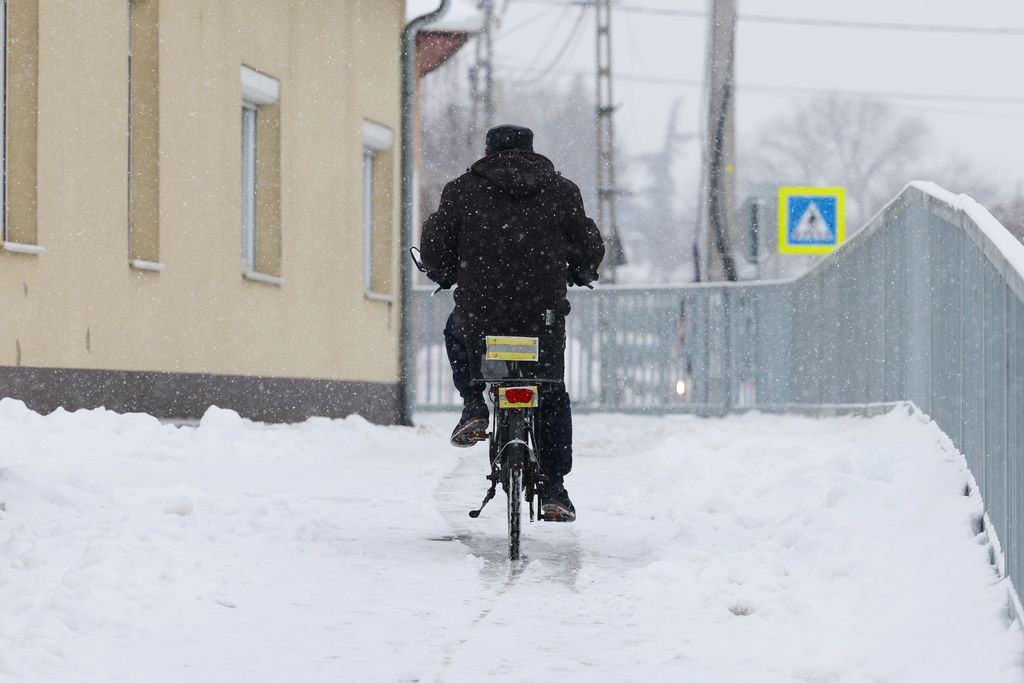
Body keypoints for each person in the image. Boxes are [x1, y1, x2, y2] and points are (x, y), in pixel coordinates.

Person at [418, 124, 604, 522]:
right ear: (532, 151)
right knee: (551, 393)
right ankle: (555, 490)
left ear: (487, 154)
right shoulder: (561, 191)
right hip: (542, 317)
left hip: (481, 314)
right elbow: (588, 245)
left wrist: (444, 271)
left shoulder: (462, 190)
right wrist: (582, 270)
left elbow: (435, 245)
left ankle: (473, 407)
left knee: (456, 332)